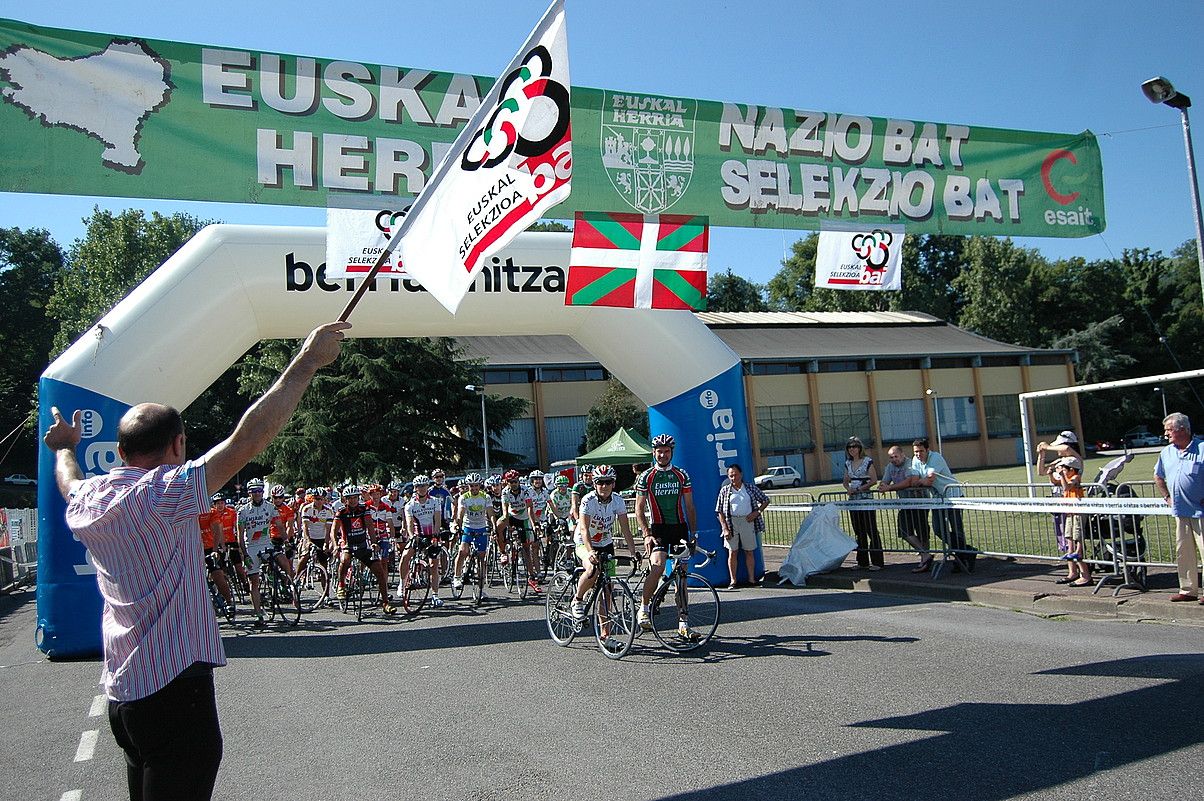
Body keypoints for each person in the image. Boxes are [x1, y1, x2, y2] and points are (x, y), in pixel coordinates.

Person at [43, 320, 349, 801]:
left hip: (124, 694)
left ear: (122, 452)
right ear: (178, 446)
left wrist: (65, 447)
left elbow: (68, 479)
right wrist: (307, 362)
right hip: (174, 690)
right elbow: (245, 442)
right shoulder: (166, 491)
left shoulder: (90, 499)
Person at [633, 433, 697, 632]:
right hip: (658, 529)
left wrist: (693, 534)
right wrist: (646, 534)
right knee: (658, 565)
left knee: (681, 577)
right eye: (659, 452)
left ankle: (683, 623)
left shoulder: (681, 475)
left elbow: (690, 506)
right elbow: (639, 508)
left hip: (679, 529)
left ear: (672, 453)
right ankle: (643, 608)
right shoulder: (646, 477)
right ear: (654, 453)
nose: (662, 455)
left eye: (666, 451)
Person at [570, 464, 638, 641]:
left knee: (607, 589)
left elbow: (625, 529)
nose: (604, 486)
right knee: (592, 568)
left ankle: (605, 635)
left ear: (613, 484)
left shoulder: (618, 501)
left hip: (605, 543)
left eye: (608, 482)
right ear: (594, 484)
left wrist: (633, 551)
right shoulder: (588, 500)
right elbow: (584, 528)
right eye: (600, 482)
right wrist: (590, 551)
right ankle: (577, 600)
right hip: (585, 542)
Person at [1153, 412, 1204, 603]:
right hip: (1180, 512)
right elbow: (1158, 476)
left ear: (1182, 429)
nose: (1166, 434)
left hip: (1201, 512)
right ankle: (1188, 590)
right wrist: (1166, 497)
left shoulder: (1202, 448)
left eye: (1169, 430)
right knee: (1183, 552)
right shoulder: (1166, 452)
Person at [911, 437, 975, 572]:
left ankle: (961, 559)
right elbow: (915, 480)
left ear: (928, 450)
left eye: (921, 451)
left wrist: (920, 482)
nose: (918, 454)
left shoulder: (936, 458)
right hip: (938, 499)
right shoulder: (915, 460)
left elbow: (929, 480)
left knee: (957, 529)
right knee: (939, 529)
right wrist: (919, 481)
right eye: (916, 452)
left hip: (953, 497)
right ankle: (967, 551)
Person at [332, 485, 395, 613]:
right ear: (346, 499)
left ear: (358, 498)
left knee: (380, 573)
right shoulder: (341, 512)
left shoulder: (364, 509)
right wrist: (335, 545)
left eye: (355, 497)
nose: (353, 500)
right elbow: (333, 531)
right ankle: (341, 585)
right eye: (350, 498)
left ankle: (385, 603)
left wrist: (373, 543)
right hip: (348, 544)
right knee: (345, 560)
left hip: (363, 545)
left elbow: (370, 528)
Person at [877, 445, 933, 572]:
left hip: (919, 501)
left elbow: (908, 482)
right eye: (891, 457)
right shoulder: (890, 467)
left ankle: (924, 560)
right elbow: (885, 480)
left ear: (902, 455)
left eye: (896, 456)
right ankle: (925, 555)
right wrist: (883, 486)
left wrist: (889, 488)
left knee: (922, 530)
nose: (894, 459)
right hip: (905, 503)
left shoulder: (910, 463)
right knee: (904, 530)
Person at [714, 463, 769, 589]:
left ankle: (751, 579)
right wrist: (725, 528)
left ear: (741, 474)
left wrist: (757, 512)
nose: (734, 478)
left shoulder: (750, 488)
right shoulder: (725, 490)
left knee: (749, 551)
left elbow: (765, 500)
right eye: (731, 476)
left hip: (747, 521)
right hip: (731, 522)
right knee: (732, 552)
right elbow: (719, 511)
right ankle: (733, 581)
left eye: (735, 475)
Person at [1048, 452, 1092, 587]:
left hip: (1078, 512)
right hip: (1069, 512)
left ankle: (1085, 574)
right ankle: (1072, 567)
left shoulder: (1075, 477)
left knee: (1077, 536)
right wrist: (1051, 474)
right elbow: (1056, 483)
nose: (1061, 472)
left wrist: (1061, 475)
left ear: (1071, 470)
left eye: (1064, 469)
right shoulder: (1066, 478)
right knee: (1068, 535)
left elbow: (1067, 486)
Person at [843, 436, 884, 570]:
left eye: (854, 446)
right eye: (849, 447)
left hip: (865, 498)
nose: (852, 449)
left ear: (860, 448)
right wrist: (849, 489)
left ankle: (877, 561)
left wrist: (860, 489)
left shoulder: (867, 461)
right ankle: (862, 561)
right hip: (853, 501)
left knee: (870, 529)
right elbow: (845, 480)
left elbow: (873, 480)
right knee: (858, 531)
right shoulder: (848, 463)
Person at [1036, 431, 1080, 555]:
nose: (1057, 450)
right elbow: (1041, 471)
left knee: (1074, 535)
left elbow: (1066, 448)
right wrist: (1042, 455)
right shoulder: (1059, 461)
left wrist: (1047, 446)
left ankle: (1080, 565)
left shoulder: (1075, 459)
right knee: (1063, 535)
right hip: (1059, 501)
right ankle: (1071, 567)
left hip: (1071, 501)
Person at [452, 473, 491, 595]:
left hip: (481, 527)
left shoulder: (485, 497)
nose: (474, 488)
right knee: (462, 551)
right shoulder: (463, 497)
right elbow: (461, 513)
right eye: (471, 486)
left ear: (480, 486)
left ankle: (481, 590)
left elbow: (490, 513)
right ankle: (457, 577)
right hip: (468, 526)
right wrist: (458, 524)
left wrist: (493, 526)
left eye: (476, 486)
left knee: (482, 558)